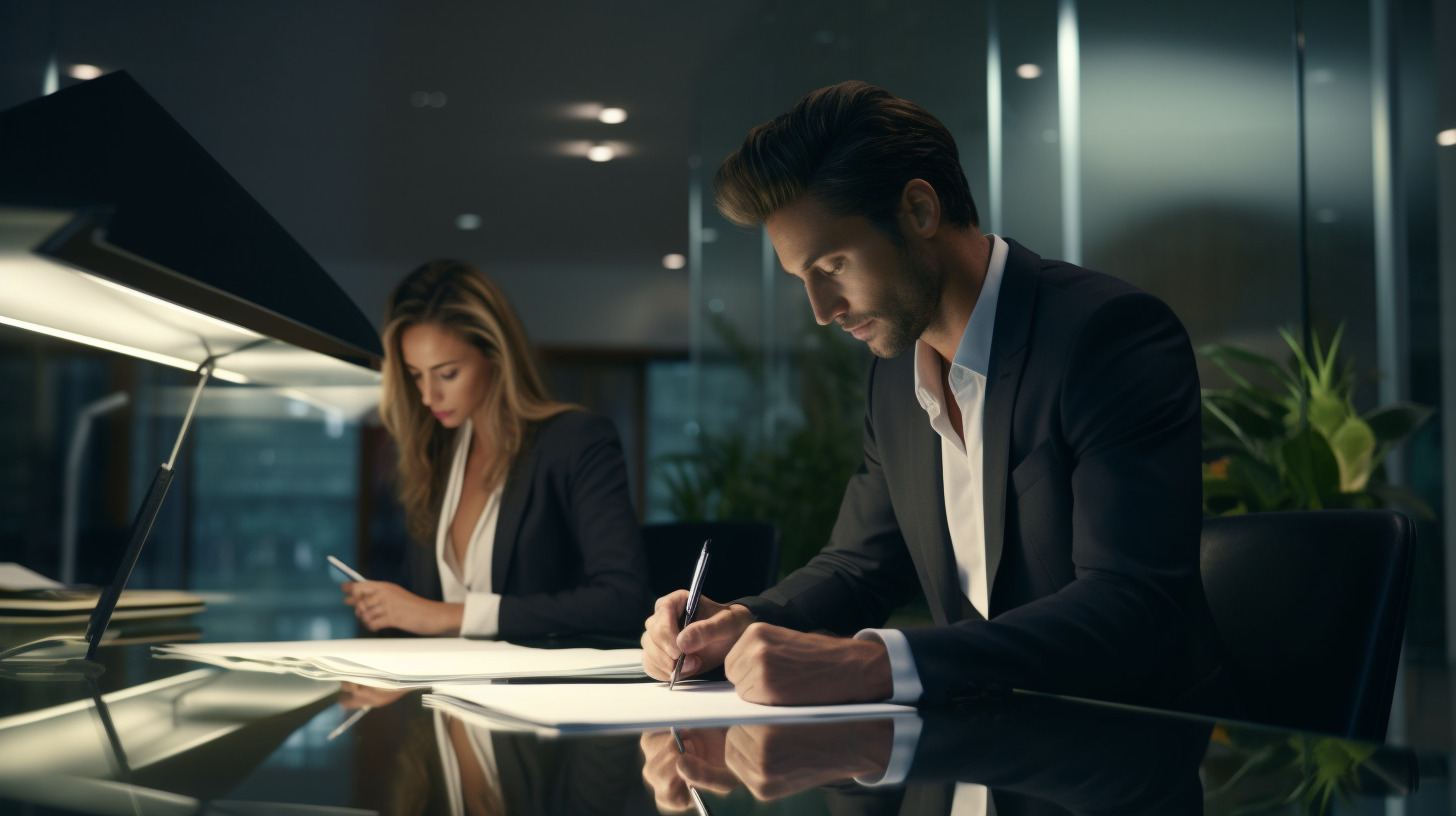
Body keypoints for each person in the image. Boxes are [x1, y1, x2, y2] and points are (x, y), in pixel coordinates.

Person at [641, 81, 1232, 713]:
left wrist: (877, 664)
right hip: (977, 745)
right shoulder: (894, 377)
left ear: (919, 211)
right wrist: (738, 619)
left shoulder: (1107, 336)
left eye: (834, 265)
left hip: (1116, 750)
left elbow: (1131, 606)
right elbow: (858, 566)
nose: (821, 310)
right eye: (803, 280)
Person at [342, 260, 652, 638]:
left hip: (542, 693)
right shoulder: (435, 453)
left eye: (447, 373)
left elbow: (623, 600)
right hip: (445, 690)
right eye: (415, 374)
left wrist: (451, 616)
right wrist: (390, 613)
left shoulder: (576, 441)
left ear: (495, 355)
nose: (428, 395)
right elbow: (422, 607)